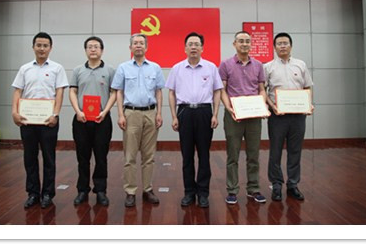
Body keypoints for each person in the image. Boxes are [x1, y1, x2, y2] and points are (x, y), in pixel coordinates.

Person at [11, 32, 68, 209]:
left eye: (45, 45)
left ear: (50, 48)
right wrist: (14, 112)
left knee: (49, 158)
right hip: (27, 120)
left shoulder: (57, 68)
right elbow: (18, 91)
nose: (42, 48)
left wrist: (55, 114)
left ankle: (48, 194)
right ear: (33, 47)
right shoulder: (25, 69)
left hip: (48, 120)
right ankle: (33, 193)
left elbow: (60, 92)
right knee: (29, 157)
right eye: (39, 45)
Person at [165, 32, 223, 208]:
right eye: (190, 44)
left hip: (205, 112)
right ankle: (189, 192)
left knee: (204, 155)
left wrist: (215, 114)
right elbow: (171, 93)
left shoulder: (211, 67)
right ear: (185, 48)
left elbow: (217, 91)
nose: (193, 47)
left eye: (197, 44)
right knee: (187, 155)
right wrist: (174, 116)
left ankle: (203, 193)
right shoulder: (177, 68)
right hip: (185, 112)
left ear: (202, 48)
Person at [111, 34, 165, 208]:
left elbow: (159, 92)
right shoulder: (123, 68)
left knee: (149, 156)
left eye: (141, 43)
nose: (138, 46)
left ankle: (147, 189)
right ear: (130, 48)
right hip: (131, 114)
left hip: (150, 113)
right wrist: (121, 114)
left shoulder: (155, 67)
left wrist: (159, 113)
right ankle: (130, 191)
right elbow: (118, 92)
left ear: (146, 47)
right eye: (135, 43)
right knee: (130, 156)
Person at [219, 30, 269, 205]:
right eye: (241, 41)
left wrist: (262, 104)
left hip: (254, 115)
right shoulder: (225, 65)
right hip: (234, 115)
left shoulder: (258, 65)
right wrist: (229, 108)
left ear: (251, 44)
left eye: (247, 41)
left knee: (253, 154)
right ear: (234, 44)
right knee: (232, 154)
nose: (244, 44)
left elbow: (262, 89)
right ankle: (232, 190)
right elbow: (222, 90)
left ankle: (253, 188)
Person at [263, 32, 313, 202]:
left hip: (298, 116)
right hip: (277, 116)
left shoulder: (301, 65)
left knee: (295, 150)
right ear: (274, 47)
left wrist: (308, 104)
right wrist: (273, 107)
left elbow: (307, 87)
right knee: (275, 151)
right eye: (279, 43)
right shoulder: (268, 67)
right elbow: (263, 91)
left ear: (291, 46)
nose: (283, 46)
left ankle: (293, 184)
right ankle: (276, 184)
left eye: (285, 43)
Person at [69, 36, 117, 207]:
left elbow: (114, 93)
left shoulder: (110, 70)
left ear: (102, 50)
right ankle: (82, 190)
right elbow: (72, 91)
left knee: (101, 156)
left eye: (96, 46)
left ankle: (101, 190)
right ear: (85, 50)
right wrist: (78, 111)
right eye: (90, 47)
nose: (93, 49)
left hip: (102, 119)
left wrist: (105, 111)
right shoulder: (77, 70)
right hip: (81, 119)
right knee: (82, 157)